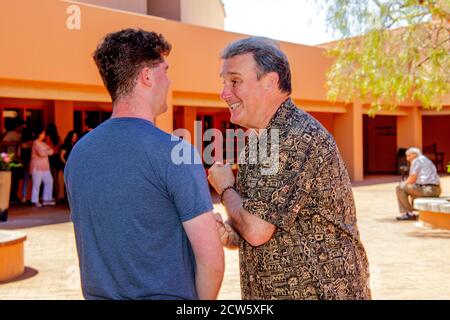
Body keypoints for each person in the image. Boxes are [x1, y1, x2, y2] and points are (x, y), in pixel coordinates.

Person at [64, 29, 224, 300]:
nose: (169, 81)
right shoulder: (175, 153)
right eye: (166, 70)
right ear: (147, 76)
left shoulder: (79, 154)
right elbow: (212, 263)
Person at [208, 37, 371, 300]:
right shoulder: (261, 138)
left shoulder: (295, 136)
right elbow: (259, 219)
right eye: (224, 82)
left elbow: (258, 230)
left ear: (271, 82)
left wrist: (226, 187)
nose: (224, 93)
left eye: (235, 81)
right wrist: (229, 233)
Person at [395, 147, 441, 221]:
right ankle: (414, 211)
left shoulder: (416, 161)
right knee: (412, 188)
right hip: (436, 190)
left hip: (427, 189)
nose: (407, 159)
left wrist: (403, 183)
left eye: (408, 156)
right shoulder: (426, 160)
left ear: (414, 154)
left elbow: (412, 179)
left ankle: (408, 213)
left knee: (400, 188)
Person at [30, 128, 55, 207]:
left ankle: (47, 199)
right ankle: (35, 200)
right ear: (39, 134)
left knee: (49, 181)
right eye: (43, 133)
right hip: (37, 166)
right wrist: (47, 151)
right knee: (37, 184)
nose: (44, 135)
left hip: (45, 167)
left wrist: (47, 151)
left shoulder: (43, 143)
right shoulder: (35, 143)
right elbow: (41, 153)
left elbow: (52, 151)